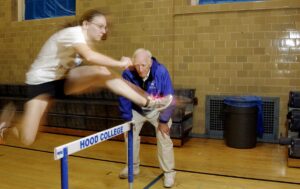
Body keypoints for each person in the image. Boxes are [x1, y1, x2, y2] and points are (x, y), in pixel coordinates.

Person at [0, 10, 173, 146]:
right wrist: (120, 64)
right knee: (28, 139)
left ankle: (150, 103)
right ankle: (8, 126)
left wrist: (140, 93)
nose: (104, 31)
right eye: (100, 26)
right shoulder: (73, 33)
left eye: (105, 27)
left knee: (102, 73)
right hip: (40, 83)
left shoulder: (83, 41)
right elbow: (90, 57)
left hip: (61, 82)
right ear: (85, 24)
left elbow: (96, 67)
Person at [118, 48, 176, 188]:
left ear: (150, 63)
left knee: (164, 137)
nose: (140, 68)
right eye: (137, 65)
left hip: (158, 109)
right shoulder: (127, 73)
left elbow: (169, 98)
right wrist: (127, 119)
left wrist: (163, 121)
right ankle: (133, 167)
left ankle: (169, 173)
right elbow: (123, 96)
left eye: (143, 65)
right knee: (129, 135)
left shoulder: (161, 71)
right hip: (137, 110)